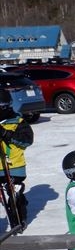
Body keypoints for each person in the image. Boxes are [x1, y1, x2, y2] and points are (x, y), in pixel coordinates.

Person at [0, 89, 34, 229]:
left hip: (14, 166)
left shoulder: (17, 121)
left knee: (15, 192)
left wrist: (6, 134)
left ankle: (18, 219)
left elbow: (26, 141)